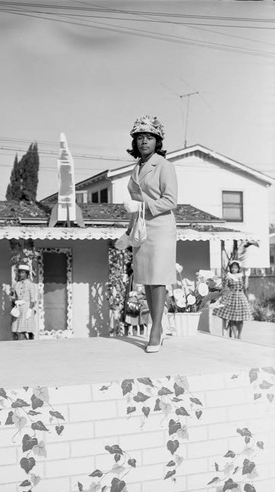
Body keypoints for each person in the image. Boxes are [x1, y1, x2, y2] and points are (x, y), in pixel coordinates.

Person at [125, 115, 178, 353]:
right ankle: (157, 325)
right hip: (142, 227)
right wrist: (128, 231)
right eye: (139, 138)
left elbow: (171, 200)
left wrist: (143, 205)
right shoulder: (136, 168)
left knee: (158, 278)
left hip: (161, 227)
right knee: (146, 278)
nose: (144, 142)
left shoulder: (165, 166)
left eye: (149, 137)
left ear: (158, 142)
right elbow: (135, 203)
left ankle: (155, 329)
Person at [212, 260, 253, 339]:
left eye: (236, 268)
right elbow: (225, 287)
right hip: (231, 297)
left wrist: (247, 276)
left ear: (238, 269)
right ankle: (235, 335)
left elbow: (245, 287)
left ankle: (239, 335)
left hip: (240, 297)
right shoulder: (228, 276)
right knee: (232, 318)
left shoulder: (241, 276)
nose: (234, 269)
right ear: (230, 268)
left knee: (240, 319)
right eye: (233, 268)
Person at [10, 264, 37, 341]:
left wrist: (30, 309)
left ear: (27, 274)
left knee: (27, 329)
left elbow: (33, 299)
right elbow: (13, 297)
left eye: (22, 272)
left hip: (27, 308)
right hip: (18, 309)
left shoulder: (30, 284)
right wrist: (15, 301)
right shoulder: (16, 284)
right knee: (17, 330)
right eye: (19, 272)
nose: (20, 274)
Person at [123, 263, 149, 336]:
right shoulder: (132, 275)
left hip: (140, 299)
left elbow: (146, 287)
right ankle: (134, 336)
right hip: (133, 300)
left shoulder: (143, 275)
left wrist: (137, 293)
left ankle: (141, 336)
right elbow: (129, 288)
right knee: (134, 321)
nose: (132, 265)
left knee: (141, 322)